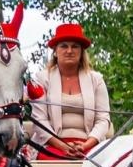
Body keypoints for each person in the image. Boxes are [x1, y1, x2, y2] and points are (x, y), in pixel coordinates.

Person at [34, 24, 110, 159]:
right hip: (52, 144)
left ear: (81, 52)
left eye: (75, 46)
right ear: (55, 52)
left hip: (89, 145)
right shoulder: (42, 79)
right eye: (64, 46)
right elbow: (39, 120)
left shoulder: (96, 79)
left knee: (98, 163)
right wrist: (63, 146)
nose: (69, 51)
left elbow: (103, 119)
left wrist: (86, 145)